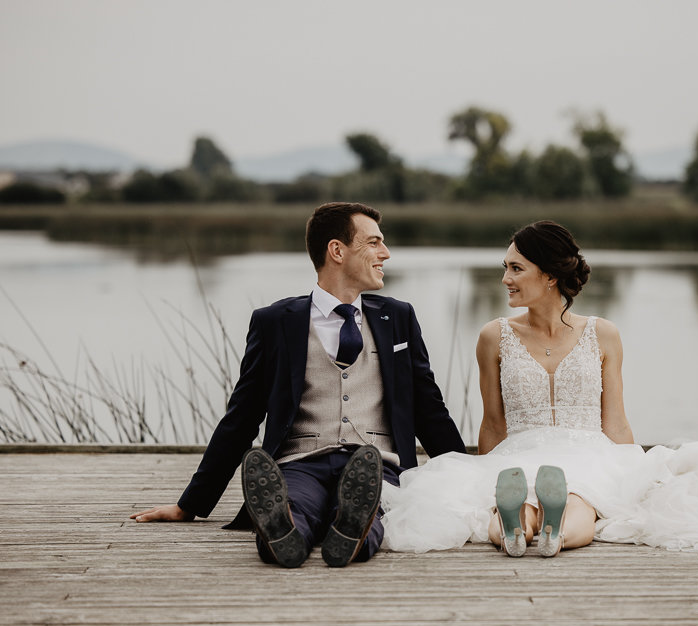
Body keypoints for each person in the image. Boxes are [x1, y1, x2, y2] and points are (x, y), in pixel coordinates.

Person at [380, 220, 698, 556]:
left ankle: (520, 527)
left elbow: (610, 418)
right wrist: (485, 471)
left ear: (548, 276)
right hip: (542, 454)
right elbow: (497, 422)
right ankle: (548, 531)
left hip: (570, 452)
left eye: (515, 268)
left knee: (546, 497)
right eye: (505, 268)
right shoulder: (495, 336)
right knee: (575, 503)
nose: (505, 279)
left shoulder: (602, 335)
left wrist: (638, 475)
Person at [131, 202, 466, 567]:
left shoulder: (397, 317)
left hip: (375, 463)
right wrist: (190, 504)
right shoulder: (275, 322)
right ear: (337, 251)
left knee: (370, 504)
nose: (385, 253)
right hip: (300, 462)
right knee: (292, 505)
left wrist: (469, 486)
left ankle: (353, 530)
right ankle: (284, 532)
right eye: (373, 243)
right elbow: (242, 416)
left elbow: (430, 411)